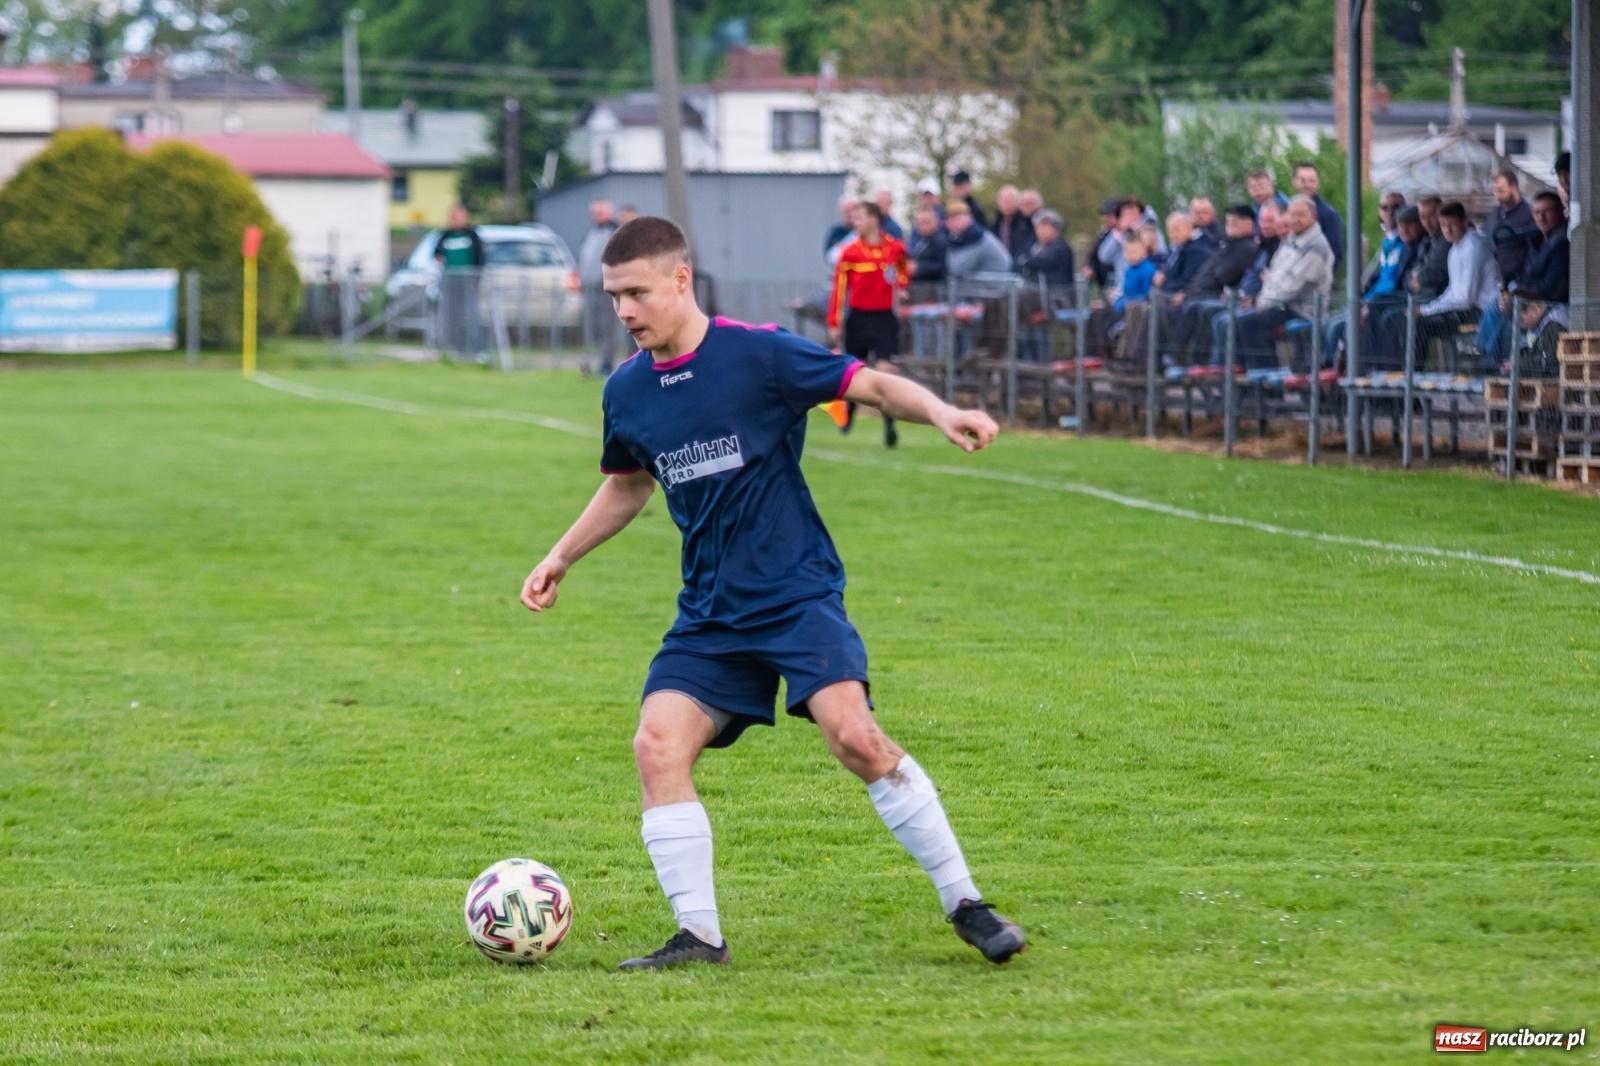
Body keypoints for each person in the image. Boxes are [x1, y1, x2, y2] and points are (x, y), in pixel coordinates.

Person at [519, 215, 1024, 971]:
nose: (623, 311)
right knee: (657, 745)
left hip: (795, 595)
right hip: (711, 614)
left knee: (855, 738)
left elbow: (869, 383)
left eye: (635, 293)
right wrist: (561, 555)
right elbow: (628, 485)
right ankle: (700, 938)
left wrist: (943, 412)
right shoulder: (626, 390)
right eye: (613, 297)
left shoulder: (757, 354)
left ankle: (966, 903)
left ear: (680, 279)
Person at [827, 201, 910, 447]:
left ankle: (889, 426)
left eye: (860, 218)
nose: (855, 223)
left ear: (874, 219)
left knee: (886, 373)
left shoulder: (896, 249)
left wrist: (903, 286)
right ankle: (850, 412)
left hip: (884, 319)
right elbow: (839, 290)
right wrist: (835, 321)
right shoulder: (849, 252)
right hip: (859, 320)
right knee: (856, 374)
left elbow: (903, 271)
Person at [1231, 196, 1334, 368]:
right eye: (1292, 215)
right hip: (1281, 305)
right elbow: (1273, 275)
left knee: (1246, 321)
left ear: (1313, 216)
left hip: (1302, 310)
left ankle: (1265, 378)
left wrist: (1262, 302)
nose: (1295, 220)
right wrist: (1262, 298)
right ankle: (1252, 375)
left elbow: (1293, 287)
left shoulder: (1317, 246)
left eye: (1301, 215)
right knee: (1237, 318)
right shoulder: (1291, 240)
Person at [1324, 202, 1422, 369]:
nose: (1404, 229)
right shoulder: (1392, 244)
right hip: (1376, 300)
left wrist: (1370, 304)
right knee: (1331, 324)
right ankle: (1334, 371)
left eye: (1410, 224)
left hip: (1394, 302)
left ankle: (1368, 369)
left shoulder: (1415, 247)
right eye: (1401, 225)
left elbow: (1403, 284)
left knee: (1354, 322)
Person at [1407, 201, 1501, 370]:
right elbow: (1452, 292)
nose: (1448, 230)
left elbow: (1466, 299)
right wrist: (1426, 309)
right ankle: (1408, 375)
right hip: (1464, 308)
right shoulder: (1455, 249)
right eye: (1443, 225)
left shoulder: (1473, 247)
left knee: (1421, 325)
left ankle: (1414, 377)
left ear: (1464, 222)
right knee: (1412, 319)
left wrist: (1427, 311)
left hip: (1481, 311)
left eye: (1452, 224)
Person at [1480, 191, 1569, 364]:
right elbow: (1525, 276)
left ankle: (1497, 362)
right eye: (1536, 212)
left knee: (1509, 310)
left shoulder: (1562, 243)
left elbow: (1555, 286)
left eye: (1546, 211)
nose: (1541, 217)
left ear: (1559, 212)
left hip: (1549, 305)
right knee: (1497, 303)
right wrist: (1513, 291)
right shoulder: (1536, 242)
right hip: (1530, 300)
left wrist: (1521, 293)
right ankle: (1490, 357)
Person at [1167, 205, 1258, 365]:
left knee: (1201, 307)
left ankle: (1196, 360)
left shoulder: (1247, 248)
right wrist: (1187, 292)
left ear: (1249, 224)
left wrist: (1190, 293)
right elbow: (1204, 273)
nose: (1231, 223)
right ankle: (1171, 357)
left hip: (1222, 295)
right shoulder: (1226, 245)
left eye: (1236, 221)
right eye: (1229, 220)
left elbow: (1223, 275)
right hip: (1200, 292)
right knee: (1164, 309)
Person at [434, 203, 486, 361]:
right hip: (450, 285)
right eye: (452, 216)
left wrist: (477, 279)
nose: (455, 219)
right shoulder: (445, 236)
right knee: (452, 318)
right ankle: (456, 349)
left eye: (458, 216)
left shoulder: (472, 235)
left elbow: (480, 258)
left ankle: (475, 349)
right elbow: (436, 254)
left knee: (471, 317)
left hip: (468, 283)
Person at [578, 199, 622, 374]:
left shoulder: (614, 232)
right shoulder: (591, 233)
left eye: (601, 213)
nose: (597, 216)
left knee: (607, 327)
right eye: (595, 213)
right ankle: (589, 363)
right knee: (590, 328)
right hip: (589, 287)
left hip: (606, 288)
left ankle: (606, 363)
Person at [1484, 170, 1535, 283]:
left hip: (1518, 277)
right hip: (1496, 277)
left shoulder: (1529, 214)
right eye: (1495, 191)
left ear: (1514, 187)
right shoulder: (1494, 214)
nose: (1498, 196)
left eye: (1501, 191)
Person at [1291, 162, 1343, 270]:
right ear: (1294, 182)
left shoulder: (1328, 214)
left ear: (1318, 183)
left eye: (1312, 181)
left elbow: (1336, 253)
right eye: (1302, 180)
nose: (1307, 185)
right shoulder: (1289, 207)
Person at [944, 202, 1014, 278]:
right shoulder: (959, 237)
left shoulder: (976, 236)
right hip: (986, 284)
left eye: (957, 219)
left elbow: (958, 269)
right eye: (950, 219)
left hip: (997, 284)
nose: (953, 223)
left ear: (969, 218)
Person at [1154, 212, 1213, 295]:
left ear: (1189, 228)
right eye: (1169, 230)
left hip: (1188, 297)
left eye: (1176, 229)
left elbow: (1189, 280)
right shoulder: (1177, 248)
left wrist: (1164, 283)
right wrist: (1163, 273)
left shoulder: (1196, 250)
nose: (1173, 234)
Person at [1014, 209, 1073, 285]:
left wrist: (1027, 262)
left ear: (1056, 229)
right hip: (1036, 294)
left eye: (1046, 227)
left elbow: (1044, 261)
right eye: (1039, 227)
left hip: (1058, 294)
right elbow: (1018, 259)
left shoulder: (1061, 247)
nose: (1042, 231)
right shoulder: (1033, 246)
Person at [1408, 196, 1450, 300]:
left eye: (1431, 216)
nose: (1427, 222)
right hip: (1420, 295)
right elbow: (1412, 271)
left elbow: (1435, 273)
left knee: (1389, 314)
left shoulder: (1447, 239)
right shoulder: (1427, 241)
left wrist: (1418, 277)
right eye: (1422, 217)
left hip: (1437, 298)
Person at [906, 206, 949, 287]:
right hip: (920, 287)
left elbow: (943, 266)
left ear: (935, 222)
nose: (923, 226)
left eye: (927, 222)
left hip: (933, 289)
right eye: (920, 223)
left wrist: (919, 267)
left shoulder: (940, 240)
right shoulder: (920, 239)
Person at [992, 185, 1034, 260]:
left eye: (1010, 201)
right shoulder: (994, 226)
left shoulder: (1027, 225)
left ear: (1018, 203)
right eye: (1005, 201)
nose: (1007, 205)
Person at [1246, 168, 1289, 237]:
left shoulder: (1287, 206)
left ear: (1271, 186)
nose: (1257, 190)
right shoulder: (1252, 212)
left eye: (1260, 186)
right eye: (1252, 187)